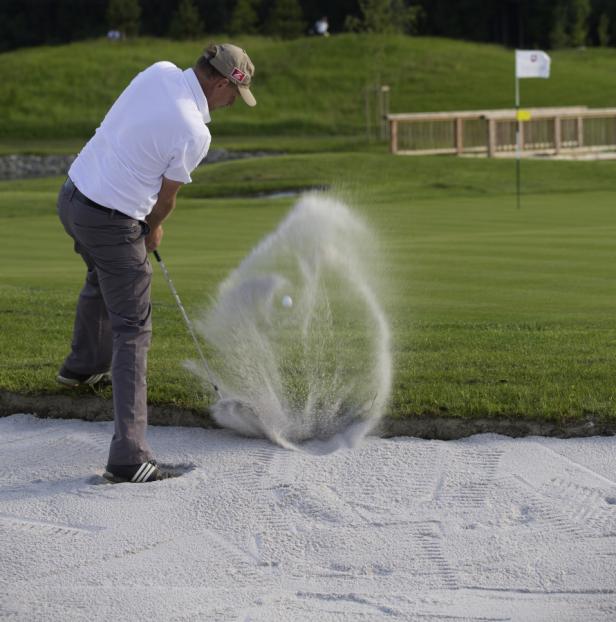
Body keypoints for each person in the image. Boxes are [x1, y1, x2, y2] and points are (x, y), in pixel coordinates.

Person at [56, 43, 256, 484]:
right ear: (221, 82)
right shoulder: (195, 132)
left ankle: (81, 366)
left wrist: (142, 221)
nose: (230, 105)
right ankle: (129, 457)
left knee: (101, 273)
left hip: (72, 197)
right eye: (232, 96)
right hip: (111, 218)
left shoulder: (160, 70)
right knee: (134, 329)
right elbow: (166, 200)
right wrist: (152, 227)